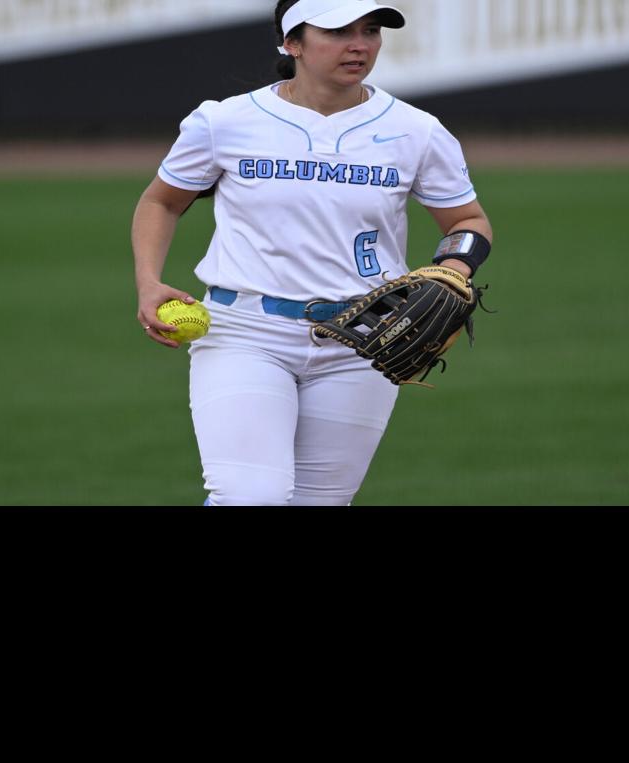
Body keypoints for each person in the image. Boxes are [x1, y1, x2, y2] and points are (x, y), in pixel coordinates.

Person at [131, 0, 494, 506]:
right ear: (291, 43)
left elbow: (468, 221)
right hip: (246, 332)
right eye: (339, 31)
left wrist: (452, 268)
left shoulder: (417, 131)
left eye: (371, 30)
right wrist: (148, 281)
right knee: (250, 496)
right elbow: (161, 202)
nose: (359, 45)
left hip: (364, 338)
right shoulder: (225, 121)